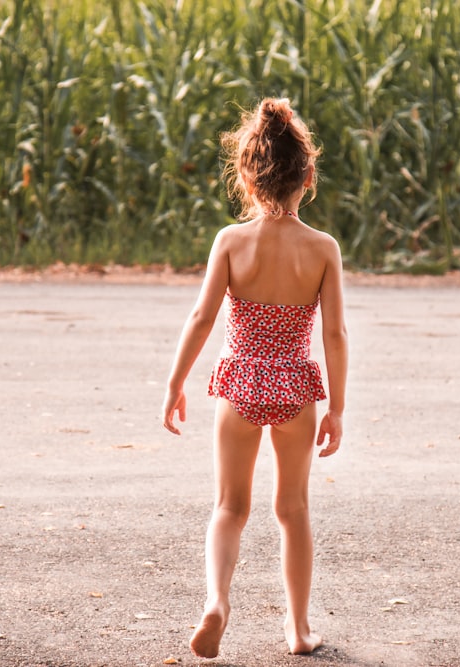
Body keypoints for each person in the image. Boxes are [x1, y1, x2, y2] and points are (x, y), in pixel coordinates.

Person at [161, 97, 348, 659]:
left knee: (228, 508)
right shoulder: (322, 249)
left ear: (245, 174)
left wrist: (174, 384)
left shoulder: (230, 242)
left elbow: (201, 317)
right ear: (308, 175)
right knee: (292, 511)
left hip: (239, 382)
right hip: (295, 387)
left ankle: (216, 602)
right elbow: (335, 336)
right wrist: (336, 407)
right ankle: (297, 629)